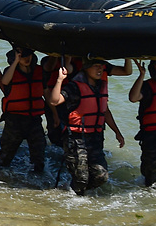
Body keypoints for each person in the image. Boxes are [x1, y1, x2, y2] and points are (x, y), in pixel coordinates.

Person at [48, 58, 125, 195]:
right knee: (81, 178)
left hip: (95, 137)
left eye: (101, 66)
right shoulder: (75, 87)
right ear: (86, 68)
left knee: (101, 175)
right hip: (76, 138)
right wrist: (60, 80)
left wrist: (117, 133)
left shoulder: (100, 87)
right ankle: (75, 198)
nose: (99, 69)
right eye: (95, 66)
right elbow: (54, 100)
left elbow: (104, 111)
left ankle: (73, 191)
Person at [0, 47, 48, 174]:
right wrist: (15, 61)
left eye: (29, 55)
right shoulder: (10, 71)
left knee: (39, 156)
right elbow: (4, 81)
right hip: (14, 120)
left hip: (34, 120)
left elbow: (46, 94)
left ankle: (37, 181)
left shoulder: (39, 71)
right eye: (23, 56)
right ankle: (0, 179)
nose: (27, 58)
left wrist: (56, 117)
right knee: (5, 157)